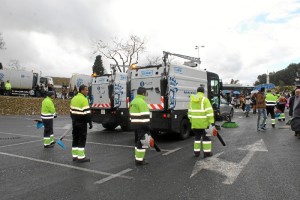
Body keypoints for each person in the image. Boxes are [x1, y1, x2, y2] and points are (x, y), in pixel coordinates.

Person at [188, 86, 215, 158]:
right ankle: (207, 153)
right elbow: (209, 112)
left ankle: (196, 152)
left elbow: (189, 113)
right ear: (203, 92)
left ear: (197, 91)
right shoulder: (205, 100)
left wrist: (192, 121)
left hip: (195, 124)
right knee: (206, 138)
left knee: (197, 137)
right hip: (204, 124)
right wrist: (211, 122)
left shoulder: (192, 100)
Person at [70, 84, 92, 163]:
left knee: (75, 138)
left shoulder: (74, 98)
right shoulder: (84, 99)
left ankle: (75, 156)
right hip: (82, 122)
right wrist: (89, 122)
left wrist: (74, 119)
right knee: (81, 139)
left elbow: (71, 111)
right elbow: (87, 113)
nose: (87, 91)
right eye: (86, 90)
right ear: (82, 90)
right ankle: (81, 157)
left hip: (74, 122)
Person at [129, 87, 151, 165]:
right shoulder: (142, 102)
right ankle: (140, 160)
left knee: (137, 142)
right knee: (143, 143)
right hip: (142, 126)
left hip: (135, 125)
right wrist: (148, 127)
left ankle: (137, 158)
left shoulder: (133, 101)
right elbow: (145, 117)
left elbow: (131, 114)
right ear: (143, 93)